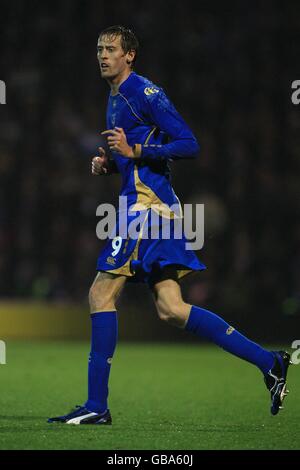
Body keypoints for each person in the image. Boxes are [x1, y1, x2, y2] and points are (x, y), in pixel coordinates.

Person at [48, 25, 291, 425]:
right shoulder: (113, 96)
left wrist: (136, 150)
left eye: (110, 49)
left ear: (130, 56)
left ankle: (96, 406)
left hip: (147, 210)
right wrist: (111, 164)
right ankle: (271, 363)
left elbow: (189, 143)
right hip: (148, 208)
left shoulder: (144, 92)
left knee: (100, 294)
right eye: (98, 49)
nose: (102, 55)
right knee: (172, 309)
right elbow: (138, 157)